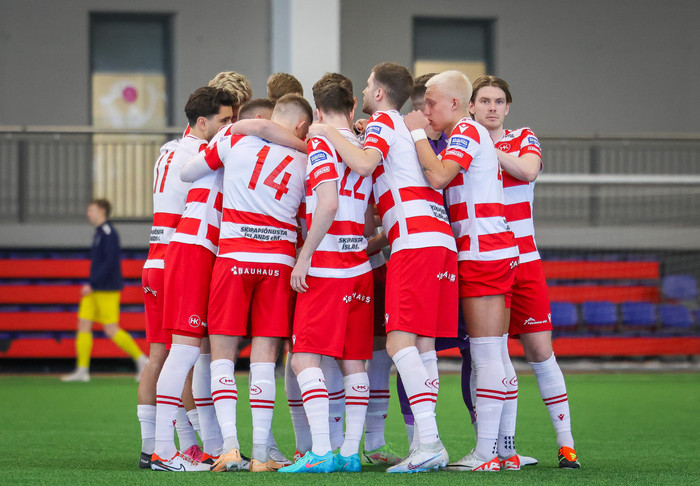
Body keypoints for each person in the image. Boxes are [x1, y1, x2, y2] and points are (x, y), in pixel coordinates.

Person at [308, 62, 458, 474]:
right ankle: (424, 444)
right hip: (438, 240)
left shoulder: (384, 122)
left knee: (397, 344)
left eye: (368, 85)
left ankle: (430, 442)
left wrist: (326, 131)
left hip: (414, 242)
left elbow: (363, 164)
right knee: (423, 347)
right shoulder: (403, 127)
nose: (364, 92)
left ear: (377, 94)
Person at [181, 93, 311, 473]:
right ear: (300, 125)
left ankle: (229, 449)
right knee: (264, 360)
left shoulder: (233, 139)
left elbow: (188, 172)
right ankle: (260, 454)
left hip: (235, 256)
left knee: (222, 356)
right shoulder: (305, 158)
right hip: (279, 261)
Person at [403, 70, 519, 472]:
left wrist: (415, 134)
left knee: (487, 354)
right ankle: (501, 451)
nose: (425, 111)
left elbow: (438, 176)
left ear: (454, 103)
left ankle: (487, 454)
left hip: (483, 252)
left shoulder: (467, 131)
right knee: (494, 353)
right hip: (488, 251)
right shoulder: (463, 134)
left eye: (430, 103)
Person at [468, 75, 580, 469]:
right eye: (484, 101)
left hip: (525, 261)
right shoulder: (460, 146)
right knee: (494, 355)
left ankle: (567, 444)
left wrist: (485, 148)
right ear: (471, 106)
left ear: (508, 107)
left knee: (540, 352)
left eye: (499, 101)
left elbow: (529, 172)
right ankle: (505, 450)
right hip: (486, 260)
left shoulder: (522, 138)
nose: (492, 107)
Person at [278, 79, 374, 474]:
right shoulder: (364, 145)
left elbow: (328, 203)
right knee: (354, 363)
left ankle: (319, 450)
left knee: (303, 359)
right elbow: (368, 219)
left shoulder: (320, 141)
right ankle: (350, 452)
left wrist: (303, 258)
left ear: (317, 111)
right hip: (360, 266)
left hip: (327, 266)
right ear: (352, 107)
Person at [147, 86, 234, 472]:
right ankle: (164, 450)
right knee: (181, 352)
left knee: (178, 352)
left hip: (176, 250)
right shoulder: (206, 153)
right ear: (203, 122)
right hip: (190, 250)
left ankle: (180, 447)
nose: (230, 126)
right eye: (224, 120)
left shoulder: (175, 149)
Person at [62, 199, 148, 383]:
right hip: (94, 288)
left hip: (106, 288)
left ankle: (142, 360)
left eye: (91, 210)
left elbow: (110, 262)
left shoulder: (109, 233)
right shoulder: (99, 232)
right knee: (83, 324)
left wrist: (92, 283)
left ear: (102, 210)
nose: (88, 213)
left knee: (111, 329)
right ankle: (82, 370)